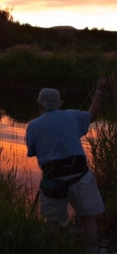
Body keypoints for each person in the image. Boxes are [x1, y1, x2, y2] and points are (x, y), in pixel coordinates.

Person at [25, 77, 107, 254]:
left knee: (53, 223)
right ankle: (92, 251)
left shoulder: (33, 126)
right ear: (58, 104)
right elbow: (93, 114)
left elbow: (32, 152)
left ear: (40, 105)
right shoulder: (73, 115)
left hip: (53, 181)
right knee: (88, 219)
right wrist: (99, 90)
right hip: (81, 177)